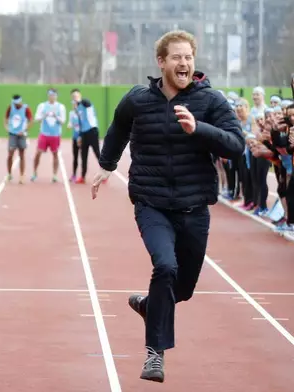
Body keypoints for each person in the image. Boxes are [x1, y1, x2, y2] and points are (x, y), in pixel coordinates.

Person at [90, 30, 245, 383]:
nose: (184, 63)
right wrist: (105, 166)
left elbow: (236, 144)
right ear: (161, 62)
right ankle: (154, 355)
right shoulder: (138, 100)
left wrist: (200, 129)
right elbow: (117, 130)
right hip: (152, 203)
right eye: (176, 57)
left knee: (183, 289)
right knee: (165, 266)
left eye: (188, 57)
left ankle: (149, 306)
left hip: (194, 207)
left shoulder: (210, 102)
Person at [31, 88, 66, 183]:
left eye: (54, 95)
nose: (52, 97)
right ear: (48, 95)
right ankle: (34, 172)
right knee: (38, 153)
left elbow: (63, 121)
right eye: (50, 95)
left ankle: (54, 175)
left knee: (55, 154)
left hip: (55, 135)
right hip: (44, 134)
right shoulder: (42, 106)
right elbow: (36, 119)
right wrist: (44, 116)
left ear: (56, 96)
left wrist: (56, 116)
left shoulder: (61, 107)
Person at [71, 88, 101, 184]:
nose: (75, 98)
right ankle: (83, 176)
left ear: (80, 96)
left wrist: (79, 100)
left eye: (76, 96)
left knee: (97, 153)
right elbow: (80, 123)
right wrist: (79, 136)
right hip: (84, 133)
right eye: (73, 96)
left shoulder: (85, 103)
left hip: (92, 131)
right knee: (83, 155)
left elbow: (86, 102)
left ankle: (105, 172)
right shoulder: (77, 108)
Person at [4, 94, 32, 183]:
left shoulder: (26, 108)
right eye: (15, 103)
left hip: (22, 134)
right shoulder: (10, 107)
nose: (16, 105)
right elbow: (6, 118)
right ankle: (9, 174)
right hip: (12, 133)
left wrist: (25, 130)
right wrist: (6, 127)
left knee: (22, 154)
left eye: (18, 103)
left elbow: (31, 120)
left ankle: (22, 175)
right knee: (10, 154)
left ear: (21, 101)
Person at [67, 90, 81, 182]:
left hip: (83, 137)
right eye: (73, 104)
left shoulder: (82, 112)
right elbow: (70, 123)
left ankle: (83, 175)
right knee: (75, 156)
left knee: (85, 156)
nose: (74, 105)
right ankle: (74, 175)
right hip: (75, 137)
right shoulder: (71, 113)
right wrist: (69, 125)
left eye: (75, 103)